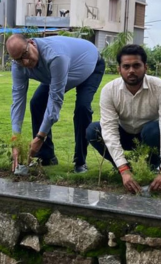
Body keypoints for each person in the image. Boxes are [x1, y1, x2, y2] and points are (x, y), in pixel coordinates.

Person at [7, 34, 105, 173]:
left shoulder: (55, 56)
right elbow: (18, 101)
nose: (26, 62)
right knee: (37, 103)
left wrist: (40, 137)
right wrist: (16, 139)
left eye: (25, 54)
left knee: (82, 108)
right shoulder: (18, 65)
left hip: (90, 66)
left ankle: (80, 162)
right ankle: (46, 157)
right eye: (19, 60)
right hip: (58, 74)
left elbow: (55, 99)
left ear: (31, 43)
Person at [87, 45, 161, 194]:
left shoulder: (160, 87)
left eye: (136, 65)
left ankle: (153, 167)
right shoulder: (109, 90)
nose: (131, 71)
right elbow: (109, 130)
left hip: (149, 136)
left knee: (154, 130)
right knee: (94, 130)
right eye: (126, 66)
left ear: (145, 67)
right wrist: (123, 169)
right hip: (124, 133)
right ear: (119, 69)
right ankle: (124, 168)